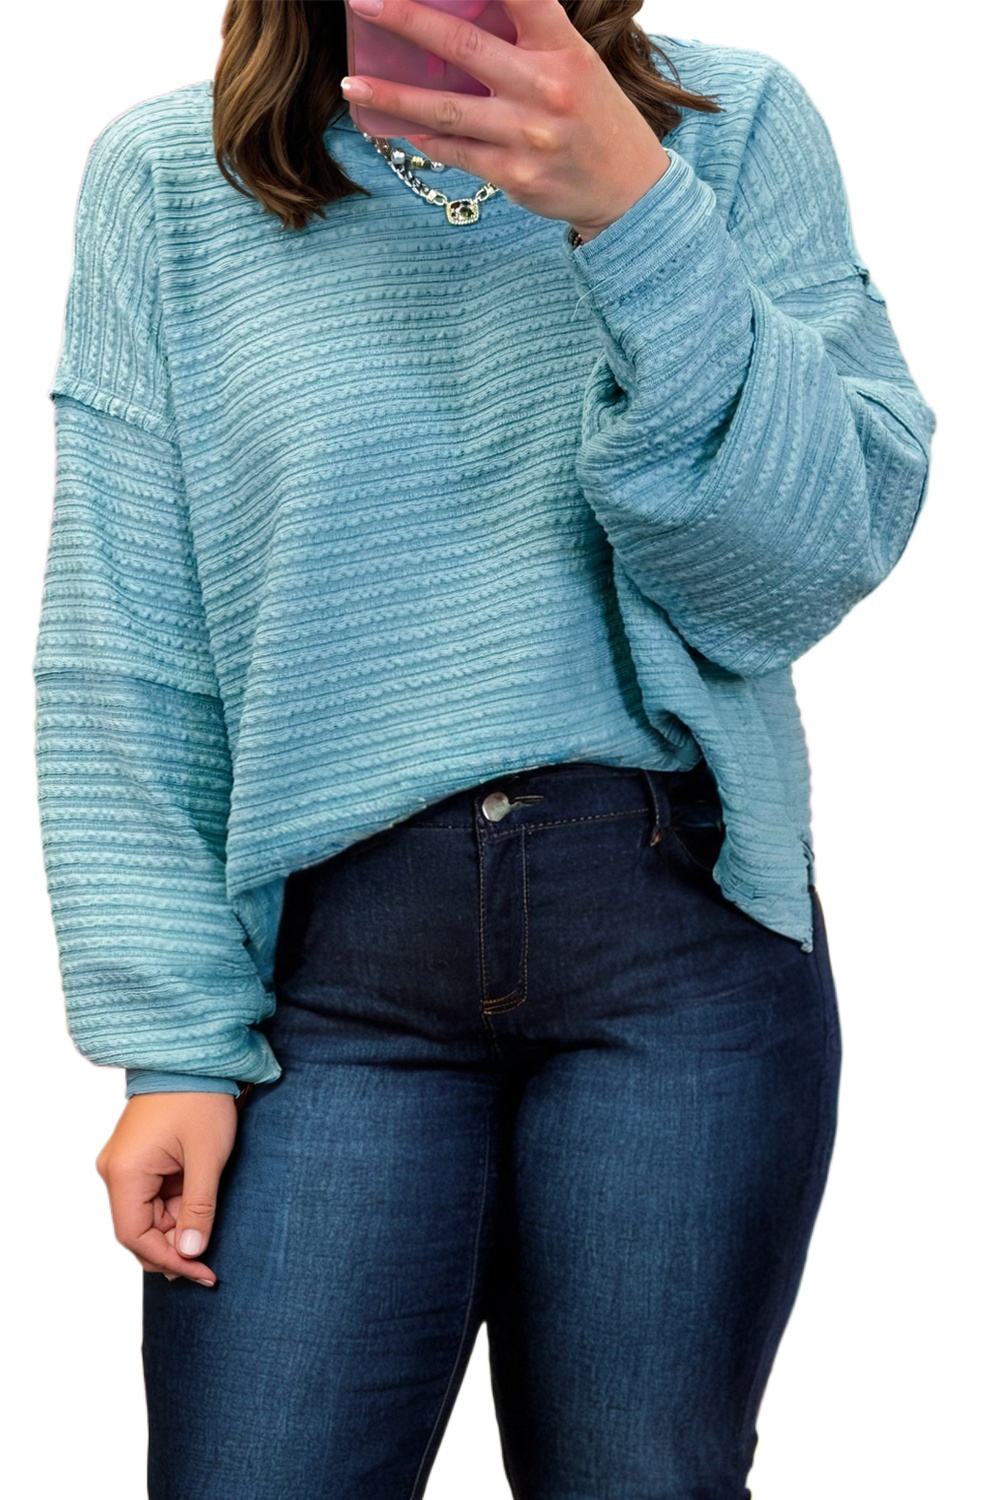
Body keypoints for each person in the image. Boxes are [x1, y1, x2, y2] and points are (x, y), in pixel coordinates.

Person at [32, 1, 936, 1496]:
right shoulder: (171, 178)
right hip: (323, 984)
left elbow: (804, 561)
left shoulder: (731, 129)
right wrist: (172, 1042)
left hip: (678, 949)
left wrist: (634, 214)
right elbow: (129, 632)